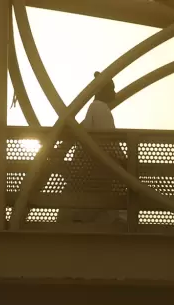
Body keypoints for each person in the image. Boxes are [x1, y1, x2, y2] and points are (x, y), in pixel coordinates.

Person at [57, 73, 126, 226]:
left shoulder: (93, 109)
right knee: (122, 187)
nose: (114, 93)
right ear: (102, 91)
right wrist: (124, 160)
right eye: (111, 89)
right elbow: (110, 141)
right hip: (95, 171)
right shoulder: (100, 108)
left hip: (87, 171)